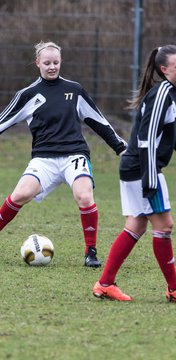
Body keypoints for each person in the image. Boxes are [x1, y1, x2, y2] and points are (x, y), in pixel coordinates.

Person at [0, 40, 127, 267]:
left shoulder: (74, 90)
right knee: (20, 194)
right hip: (44, 159)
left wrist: (121, 148)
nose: (52, 66)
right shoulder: (28, 94)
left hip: (74, 156)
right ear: (37, 63)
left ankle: (91, 252)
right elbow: (2, 120)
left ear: (61, 62)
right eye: (47, 62)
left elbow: (99, 121)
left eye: (56, 62)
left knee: (84, 196)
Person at [93, 44, 176, 300]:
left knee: (137, 225)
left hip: (136, 167)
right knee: (164, 225)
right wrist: (150, 177)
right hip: (143, 168)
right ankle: (174, 288)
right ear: (165, 70)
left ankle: (105, 284)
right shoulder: (163, 93)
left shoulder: (170, 94)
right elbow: (147, 138)